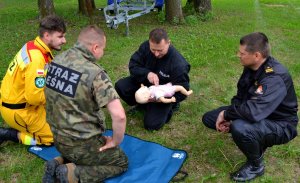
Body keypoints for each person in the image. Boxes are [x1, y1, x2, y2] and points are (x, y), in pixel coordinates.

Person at [202, 32, 298, 182]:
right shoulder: (251, 66)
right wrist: (228, 115)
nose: (238, 55)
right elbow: (241, 97)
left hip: (281, 124)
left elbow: (253, 112)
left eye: (242, 53)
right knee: (209, 118)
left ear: (257, 55)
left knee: (240, 127)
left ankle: (256, 165)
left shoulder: (274, 77)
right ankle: (252, 137)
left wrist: (228, 115)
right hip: (257, 113)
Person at [43, 25, 128, 183]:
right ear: (95, 47)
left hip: (57, 138)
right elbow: (119, 116)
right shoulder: (95, 74)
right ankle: (71, 174)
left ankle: (58, 161)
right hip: (82, 144)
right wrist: (115, 141)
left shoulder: (56, 61)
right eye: (103, 49)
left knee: (78, 149)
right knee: (121, 161)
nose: (102, 53)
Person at [0, 15, 66, 146]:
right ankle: (11, 134)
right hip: (20, 111)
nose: (64, 40)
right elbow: (34, 98)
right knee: (55, 138)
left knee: (63, 121)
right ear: (47, 36)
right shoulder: (36, 59)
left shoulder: (34, 46)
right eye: (60, 36)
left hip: (22, 103)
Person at [115, 28, 191, 130]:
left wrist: (168, 100)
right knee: (121, 86)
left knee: (151, 125)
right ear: (149, 43)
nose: (156, 54)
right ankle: (142, 104)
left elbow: (183, 90)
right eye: (153, 50)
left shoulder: (178, 64)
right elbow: (133, 65)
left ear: (168, 43)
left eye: (160, 50)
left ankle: (171, 107)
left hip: (162, 94)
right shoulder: (146, 46)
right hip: (145, 85)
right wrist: (147, 74)